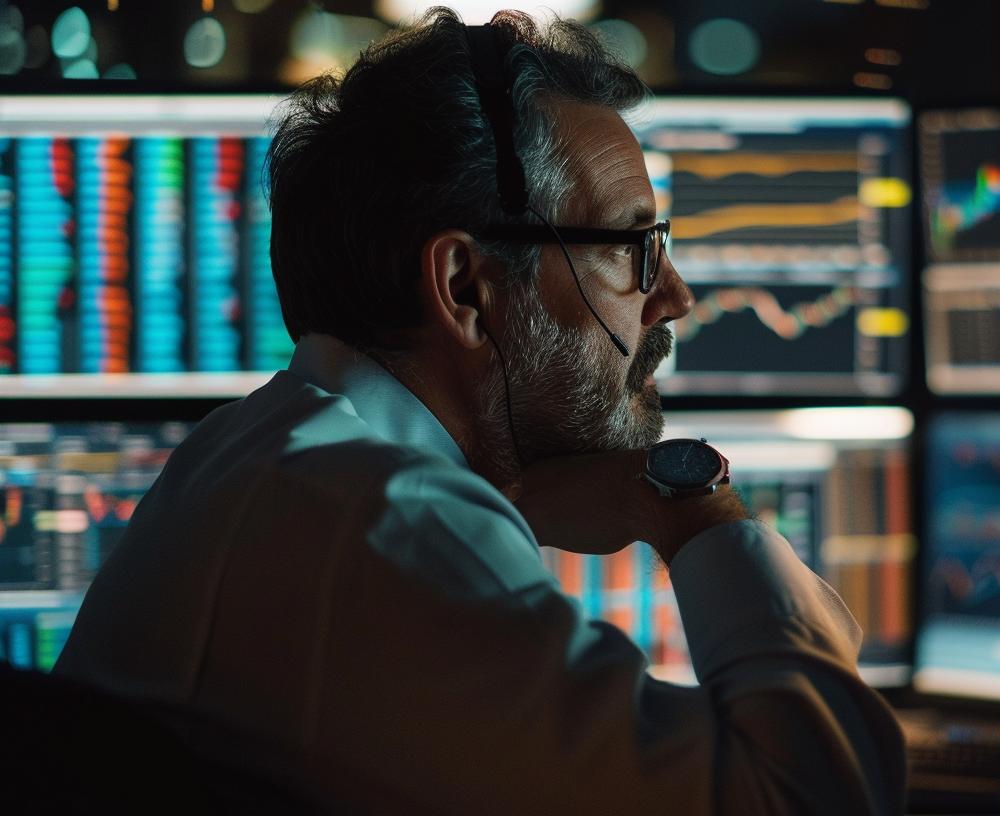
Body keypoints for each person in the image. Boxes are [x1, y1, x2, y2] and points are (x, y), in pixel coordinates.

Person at [55, 8, 905, 814]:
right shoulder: (383, 527)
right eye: (634, 249)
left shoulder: (256, 455)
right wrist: (692, 504)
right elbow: (812, 795)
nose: (674, 297)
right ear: (465, 288)